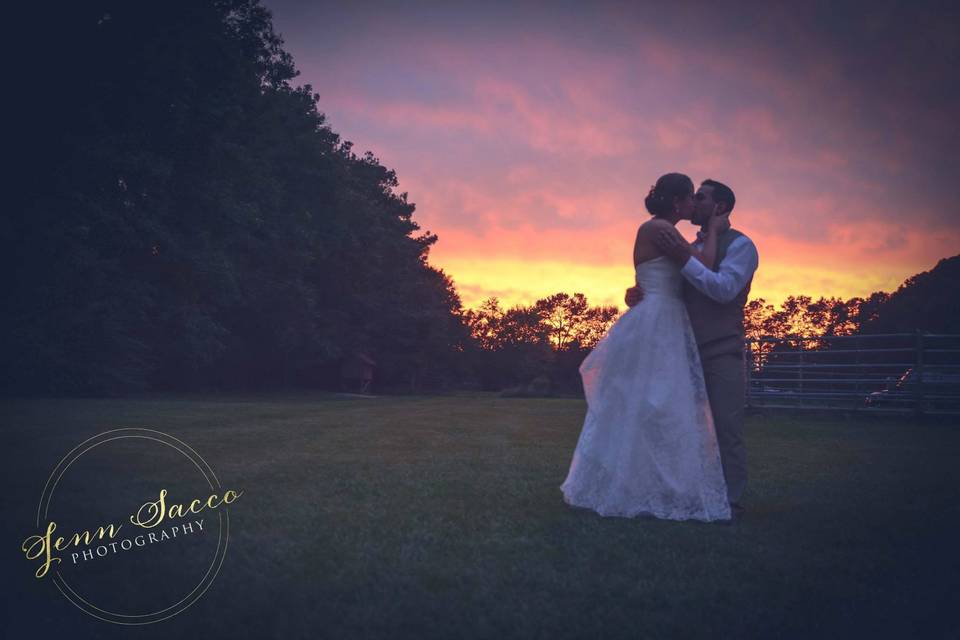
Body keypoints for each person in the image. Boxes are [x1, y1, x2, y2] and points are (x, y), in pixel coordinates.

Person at [560, 173, 732, 522]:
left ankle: (655, 485)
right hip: (658, 320)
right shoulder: (659, 230)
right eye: (689, 198)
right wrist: (714, 230)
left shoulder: (662, 232)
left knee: (662, 405)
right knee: (653, 403)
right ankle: (635, 487)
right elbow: (706, 267)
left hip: (664, 315)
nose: (692, 204)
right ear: (676, 202)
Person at [625, 179, 759, 518]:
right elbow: (669, 284)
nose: (694, 202)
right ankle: (687, 492)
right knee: (681, 427)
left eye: (702, 198)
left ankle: (730, 501)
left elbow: (723, 289)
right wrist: (639, 293)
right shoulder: (684, 242)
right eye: (692, 197)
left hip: (721, 348)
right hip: (680, 348)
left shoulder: (741, 246)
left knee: (726, 429)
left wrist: (685, 260)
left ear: (720, 207)